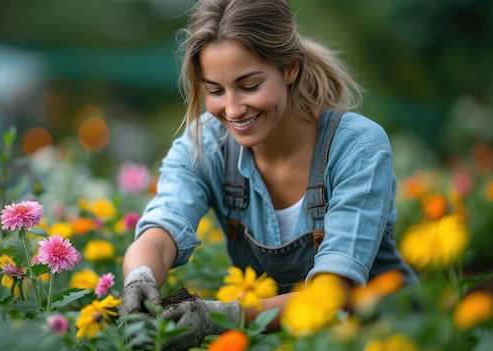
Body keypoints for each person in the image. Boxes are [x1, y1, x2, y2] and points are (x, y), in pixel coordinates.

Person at [119, 0, 418, 349]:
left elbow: (334, 292)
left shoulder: (357, 148)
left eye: (249, 86)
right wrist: (139, 278)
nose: (231, 109)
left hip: (384, 335)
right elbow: (161, 228)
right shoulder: (206, 144)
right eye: (215, 90)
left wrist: (216, 316)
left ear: (290, 69)